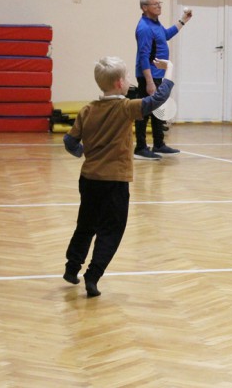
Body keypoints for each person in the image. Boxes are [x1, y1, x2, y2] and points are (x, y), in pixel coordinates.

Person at [63, 56, 175, 297]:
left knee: (86, 225)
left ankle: (72, 267)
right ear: (118, 83)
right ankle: (93, 275)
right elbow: (158, 99)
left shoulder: (87, 109)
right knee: (111, 230)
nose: (128, 81)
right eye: (126, 78)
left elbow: (69, 141)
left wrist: (83, 152)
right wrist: (170, 70)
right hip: (115, 182)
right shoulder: (126, 108)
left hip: (89, 179)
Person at [133, 0, 191, 160]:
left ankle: (159, 144)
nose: (159, 6)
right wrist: (149, 81)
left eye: (160, 3)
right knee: (144, 112)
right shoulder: (144, 28)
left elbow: (165, 35)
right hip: (149, 76)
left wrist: (183, 20)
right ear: (145, 7)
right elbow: (143, 56)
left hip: (158, 74)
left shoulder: (155, 23)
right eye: (155, 4)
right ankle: (140, 148)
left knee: (158, 110)